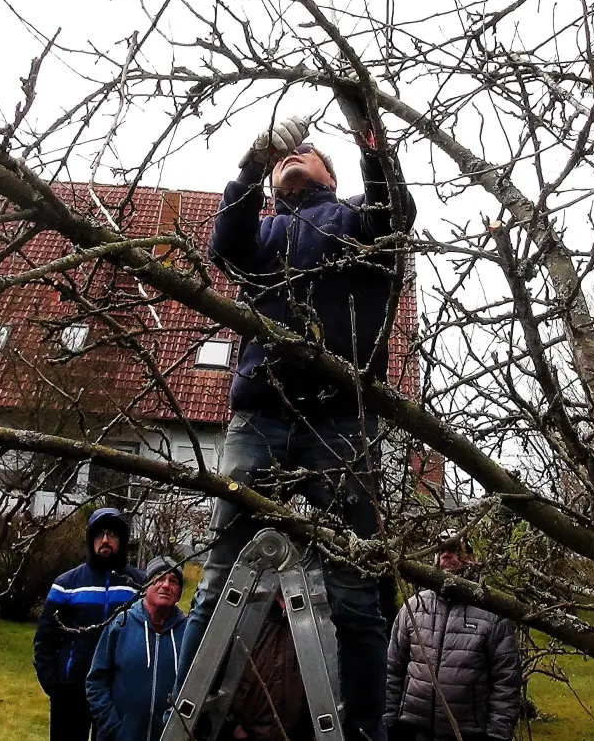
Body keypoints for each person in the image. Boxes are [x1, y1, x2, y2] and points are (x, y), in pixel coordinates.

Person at [180, 101, 416, 741]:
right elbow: (222, 246)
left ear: (330, 175)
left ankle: (364, 729)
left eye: (300, 154)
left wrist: (370, 135)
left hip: (340, 425)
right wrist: (249, 165)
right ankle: (185, 715)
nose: (289, 158)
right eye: (281, 157)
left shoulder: (356, 224)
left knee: (356, 592)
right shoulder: (262, 236)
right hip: (260, 417)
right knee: (218, 579)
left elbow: (398, 210)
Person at [385, 532, 520, 741]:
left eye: (456, 550)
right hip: (412, 730)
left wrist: (497, 736)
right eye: (441, 550)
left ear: (474, 559)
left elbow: (506, 683)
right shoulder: (413, 608)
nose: (446, 556)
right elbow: (393, 670)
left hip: (467, 734)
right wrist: (390, 722)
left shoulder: (492, 615)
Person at [36, 508, 147, 741]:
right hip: (71, 688)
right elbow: (44, 639)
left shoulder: (138, 585)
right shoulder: (66, 584)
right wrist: (53, 684)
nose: (105, 540)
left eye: (112, 534)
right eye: (99, 534)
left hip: (118, 690)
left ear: (123, 540)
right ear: (90, 539)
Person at [85, 557, 191, 741]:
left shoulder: (188, 632)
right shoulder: (121, 624)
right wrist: (113, 728)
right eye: (159, 578)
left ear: (179, 593)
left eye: (173, 581)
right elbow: (96, 682)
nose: (166, 585)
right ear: (145, 587)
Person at [222, 594, 312, 741]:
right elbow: (222, 670)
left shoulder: (306, 619)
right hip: (248, 733)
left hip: (295, 733)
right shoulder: (249, 612)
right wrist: (233, 724)